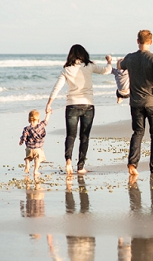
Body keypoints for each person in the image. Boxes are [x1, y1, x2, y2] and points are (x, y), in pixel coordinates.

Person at [46, 44, 112, 175]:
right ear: (83, 54)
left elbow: (57, 87)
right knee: (84, 137)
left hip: (72, 106)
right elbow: (106, 71)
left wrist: (49, 103)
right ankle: (80, 167)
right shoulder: (89, 66)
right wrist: (109, 61)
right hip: (88, 106)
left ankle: (68, 162)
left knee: (70, 135)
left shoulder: (67, 69)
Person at [119, 30, 153, 176]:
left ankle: (132, 163)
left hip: (135, 103)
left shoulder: (130, 58)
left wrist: (118, 62)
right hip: (152, 103)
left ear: (137, 41)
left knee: (138, 132)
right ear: (151, 42)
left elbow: (119, 65)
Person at [19, 108, 52, 177]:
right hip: (38, 148)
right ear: (38, 119)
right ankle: (35, 171)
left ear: (29, 119)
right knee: (37, 160)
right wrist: (48, 114)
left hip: (29, 148)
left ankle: (27, 163)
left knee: (28, 157)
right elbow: (46, 121)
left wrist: (21, 141)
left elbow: (24, 137)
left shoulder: (26, 128)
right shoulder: (40, 126)